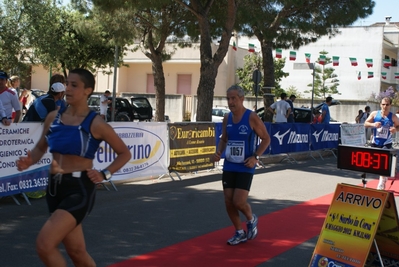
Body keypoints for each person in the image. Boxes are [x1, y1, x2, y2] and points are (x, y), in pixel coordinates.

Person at [16, 68, 131, 266]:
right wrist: (28, 161)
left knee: (44, 244)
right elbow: (39, 149)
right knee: (77, 252)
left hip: (78, 189)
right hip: (54, 188)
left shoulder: (95, 123)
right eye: (67, 84)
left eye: (74, 85)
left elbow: (125, 153)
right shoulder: (54, 117)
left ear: (88, 90)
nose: (67, 88)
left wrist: (105, 174)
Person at [214, 85, 271, 245]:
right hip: (230, 165)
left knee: (238, 201)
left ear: (241, 99)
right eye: (228, 99)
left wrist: (255, 157)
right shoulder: (227, 118)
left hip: (246, 165)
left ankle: (251, 218)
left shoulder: (251, 117)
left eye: (233, 98)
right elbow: (224, 138)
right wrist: (218, 152)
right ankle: (239, 231)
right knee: (228, 201)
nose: (231, 102)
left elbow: (266, 138)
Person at [364, 97, 399, 190]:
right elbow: (365, 123)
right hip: (375, 141)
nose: (385, 106)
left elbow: (398, 126)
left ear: (390, 105)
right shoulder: (375, 114)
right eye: (383, 104)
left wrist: (395, 129)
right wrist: (373, 124)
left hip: (387, 142)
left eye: (387, 105)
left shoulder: (393, 117)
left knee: (383, 162)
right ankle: (384, 176)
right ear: (380, 105)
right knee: (374, 162)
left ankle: (381, 182)